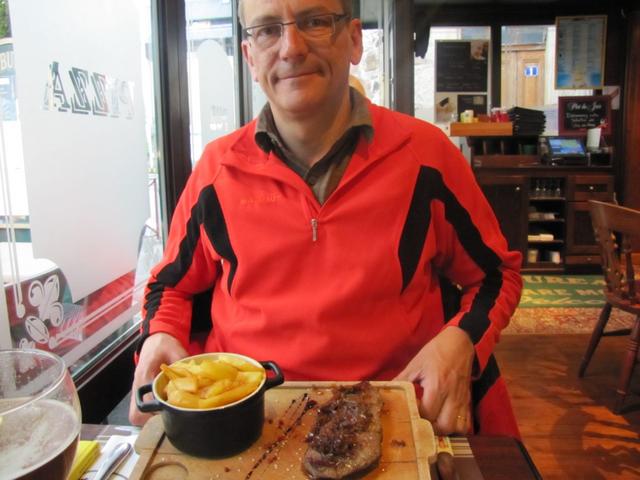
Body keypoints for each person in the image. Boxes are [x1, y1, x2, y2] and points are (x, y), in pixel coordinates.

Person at [129, 0, 523, 438]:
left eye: (315, 22)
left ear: (353, 40)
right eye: (268, 30)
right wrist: (160, 334)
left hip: (396, 418)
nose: (291, 48)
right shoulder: (216, 171)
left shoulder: (426, 157)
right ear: (250, 57)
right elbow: (170, 285)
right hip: (249, 423)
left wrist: (461, 339)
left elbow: (495, 275)